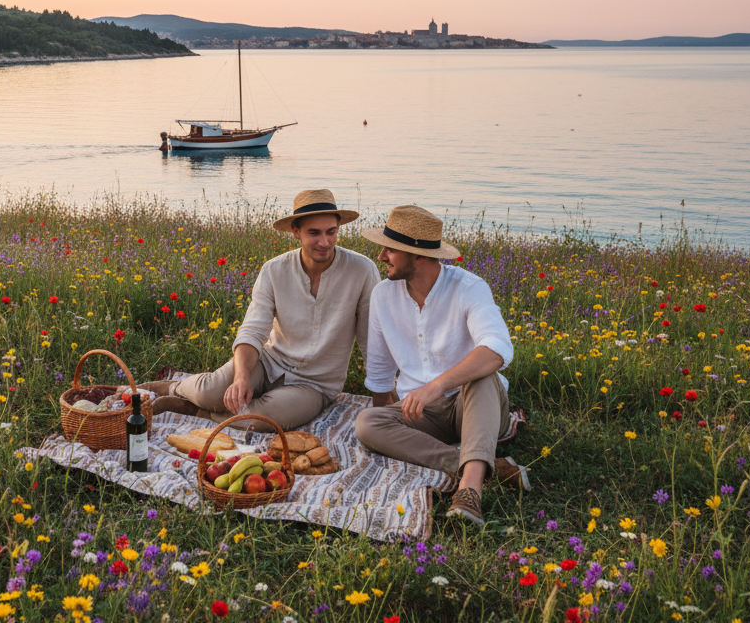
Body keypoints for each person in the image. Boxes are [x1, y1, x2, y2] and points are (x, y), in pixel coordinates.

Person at [141, 189, 380, 432]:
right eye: (314, 233)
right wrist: (242, 376)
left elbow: (370, 339)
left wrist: (383, 399)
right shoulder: (274, 270)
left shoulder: (362, 270)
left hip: (315, 384)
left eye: (331, 232)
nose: (324, 242)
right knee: (209, 391)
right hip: (268, 362)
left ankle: (196, 410)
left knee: (261, 420)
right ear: (296, 232)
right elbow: (254, 329)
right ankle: (174, 388)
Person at [354, 204, 522, 525]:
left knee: (483, 375)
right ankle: (488, 465)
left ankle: (470, 490)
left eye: (391, 249)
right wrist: (387, 426)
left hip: (475, 408)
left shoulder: (470, 288)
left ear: (418, 255)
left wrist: (437, 385)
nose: (382, 255)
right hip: (422, 414)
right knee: (367, 423)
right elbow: (379, 368)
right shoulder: (383, 295)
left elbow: (498, 349)